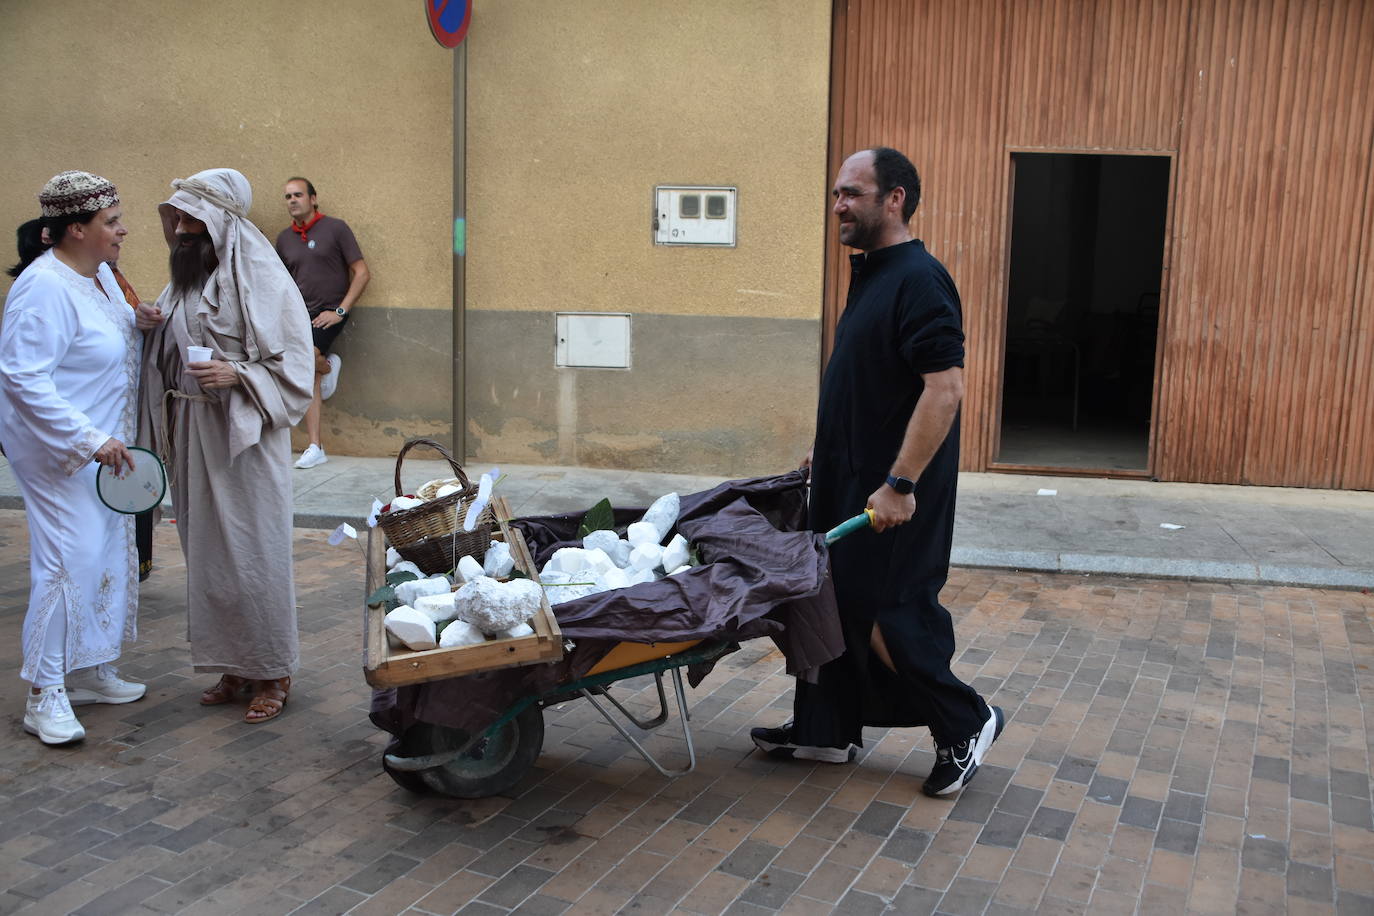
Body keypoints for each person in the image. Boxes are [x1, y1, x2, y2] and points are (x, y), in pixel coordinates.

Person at [750, 148, 1004, 797]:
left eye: (852, 193)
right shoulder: (873, 275)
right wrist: (828, 449)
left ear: (894, 198)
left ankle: (965, 722)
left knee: (885, 611)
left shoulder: (919, 277)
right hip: (849, 475)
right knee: (827, 598)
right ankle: (825, 730)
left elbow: (943, 388)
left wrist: (901, 484)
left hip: (893, 494)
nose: (839, 205)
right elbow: (872, 382)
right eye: (836, 193)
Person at [138, 168, 314, 723]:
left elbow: (296, 365)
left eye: (194, 219)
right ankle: (233, 664)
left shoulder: (263, 277)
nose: (183, 230)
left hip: (245, 438)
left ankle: (272, 670)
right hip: (193, 434)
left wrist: (238, 375)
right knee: (208, 554)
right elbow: (168, 350)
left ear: (220, 222)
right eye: (178, 218)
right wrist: (143, 327)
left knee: (254, 552)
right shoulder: (184, 281)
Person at [0, 170, 148, 745]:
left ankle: (86, 669)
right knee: (68, 560)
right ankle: (44, 692)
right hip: (61, 452)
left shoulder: (102, 278)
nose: (122, 231)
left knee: (106, 552)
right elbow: (23, 379)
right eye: (111, 223)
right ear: (74, 229)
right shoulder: (41, 290)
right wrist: (88, 440)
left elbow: (106, 333)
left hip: (103, 451)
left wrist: (140, 320)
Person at [274, 177, 369, 469]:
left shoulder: (335, 228)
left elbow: (362, 272)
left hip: (328, 313)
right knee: (308, 369)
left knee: (308, 358)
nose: (292, 200)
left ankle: (324, 367)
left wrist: (340, 311)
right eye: (288, 196)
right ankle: (316, 445)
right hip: (298, 317)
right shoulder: (284, 239)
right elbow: (280, 282)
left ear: (313, 199)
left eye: (298, 194)